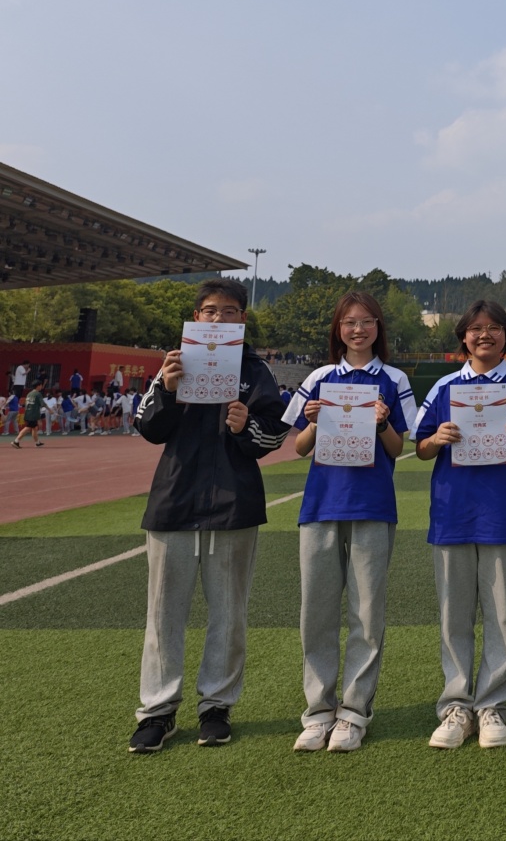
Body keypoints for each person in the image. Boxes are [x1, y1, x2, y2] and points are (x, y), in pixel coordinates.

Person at [127, 278, 290, 753]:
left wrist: (246, 426)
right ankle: (157, 711)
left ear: (243, 318)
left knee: (229, 614)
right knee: (163, 614)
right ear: (196, 317)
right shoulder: (173, 364)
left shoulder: (255, 371)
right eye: (210, 311)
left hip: (233, 504)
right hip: (174, 500)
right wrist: (168, 390)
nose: (219, 318)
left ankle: (216, 706)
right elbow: (146, 426)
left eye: (229, 311)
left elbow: (273, 434)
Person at [414, 300, 506, 749]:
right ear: (463, 337)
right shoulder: (444, 387)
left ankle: (492, 704)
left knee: (501, 616)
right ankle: (456, 706)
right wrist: (437, 438)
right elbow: (420, 448)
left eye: (494, 327)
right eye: (476, 328)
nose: (484, 335)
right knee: (454, 616)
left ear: (505, 337)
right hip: (452, 512)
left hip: (503, 513)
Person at [284, 291, 417, 753]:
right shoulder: (319, 378)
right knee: (316, 613)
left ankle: (355, 712)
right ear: (338, 329)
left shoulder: (394, 379)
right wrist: (314, 421)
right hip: (321, 506)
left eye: (366, 321)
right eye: (349, 322)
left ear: (378, 327)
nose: (358, 330)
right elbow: (299, 447)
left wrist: (382, 424)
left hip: (372, 506)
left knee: (366, 614)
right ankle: (318, 712)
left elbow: (400, 447)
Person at [12, 378, 46, 448]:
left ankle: (37, 442)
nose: (41, 387)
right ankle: (16, 441)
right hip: (33, 414)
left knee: (34, 428)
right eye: (41, 385)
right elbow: (42, 404)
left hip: (28, 413)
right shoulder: (38, 394)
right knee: (28, 428)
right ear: (38, 386)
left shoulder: (29, 394)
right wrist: (50, 410)